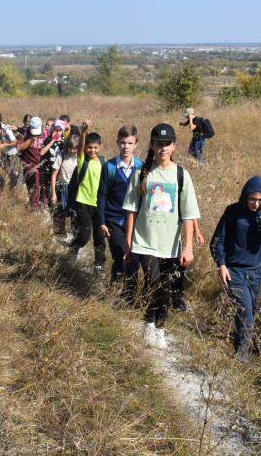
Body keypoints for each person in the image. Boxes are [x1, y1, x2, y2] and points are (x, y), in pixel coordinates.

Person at [123, 123, 200, 350]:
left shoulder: (181, 175)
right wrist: (129, 240)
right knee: (153, 281)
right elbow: (131, 209)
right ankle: (148, 324)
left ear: (174, 146)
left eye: (167, 144)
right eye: (159, 144)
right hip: (144, 240)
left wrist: (188, 247)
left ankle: (160, 328)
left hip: (170, 243)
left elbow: (188, 215)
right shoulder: (141, 172)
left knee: (165, 287)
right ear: (152, 145)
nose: (163, 148)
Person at [209, 176, 261, 361]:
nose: (255, 203)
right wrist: (222, 266)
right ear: (244, 196)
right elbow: (217, 242)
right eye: (252, 199)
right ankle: (242, 356)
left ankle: (238, 344)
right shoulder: (233, 212)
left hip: (256, 271)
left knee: (250, 309)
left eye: (260, 199)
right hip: (234, 270)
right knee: (246, 309)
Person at [97, 125, 143, 306]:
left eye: (130, 143)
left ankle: (129, 296)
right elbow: (102, 195)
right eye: (123, 143)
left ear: (136, 144)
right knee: (121, 257)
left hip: (136, 220)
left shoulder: (141, 167)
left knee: (134, 260)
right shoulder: (109, 167)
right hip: (114, 219)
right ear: (117, 143)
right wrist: (101, 221)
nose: (126, 147)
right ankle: (113, 289)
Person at [67, 132, 107, 274]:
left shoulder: (103, 162)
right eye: (90, 147)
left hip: (99, 205)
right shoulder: (82, 159)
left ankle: (99, 265)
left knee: (99, 236)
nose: (93, 150)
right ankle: (74, 246)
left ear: (100, 147)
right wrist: (83, 132)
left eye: (95, 147)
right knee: (84, 235)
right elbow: (81, 146)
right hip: (83, 202)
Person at [17, 117, 56, 211]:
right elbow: (19, 148)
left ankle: (44, 207)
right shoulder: (25, 133)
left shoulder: (46, 132)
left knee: (44, 186)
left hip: (43, 165)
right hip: (29, 165)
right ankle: (34, 209)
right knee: (33, 187)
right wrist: (30, 139)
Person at [50, 132, 82, 240]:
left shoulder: (80, 157)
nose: (72, 150)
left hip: (74, 189)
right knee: (59, 214)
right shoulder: (61, 155)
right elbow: (54, 175)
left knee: (74, 213)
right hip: (61, 187)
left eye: (75, 148)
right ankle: (60, 237)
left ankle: (75, 237)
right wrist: (53, 192)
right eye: (70, 148)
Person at [0, 111, 20, 189]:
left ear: (0, 121)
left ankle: (14, 186)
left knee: (9, 169)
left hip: (12, 153)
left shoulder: (6, 129)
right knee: (3, 166)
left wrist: (3, 145)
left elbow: (15, 142)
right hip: (4, 152)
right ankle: (15, 176)